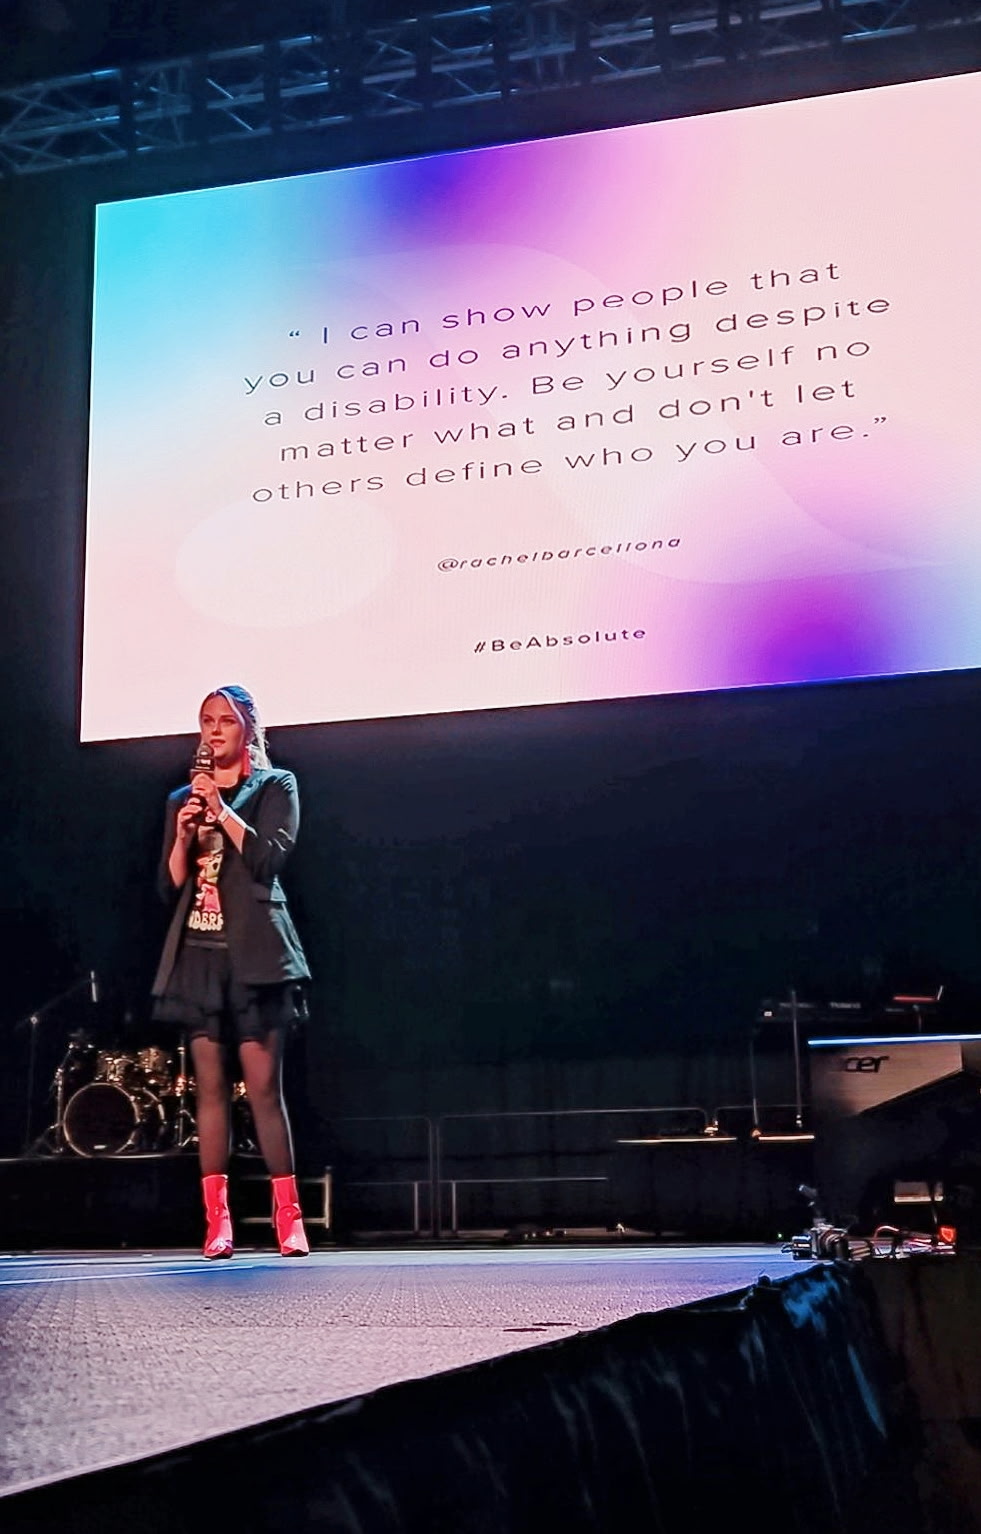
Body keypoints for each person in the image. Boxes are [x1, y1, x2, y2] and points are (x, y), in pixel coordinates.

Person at [151, 685, 312, 1258]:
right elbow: (168, 885)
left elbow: (268, 860)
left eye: (225, 721)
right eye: (206, 721)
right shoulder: (182, 798)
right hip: (199, 956)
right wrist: (184, 837)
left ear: (247, 729)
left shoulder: (275, 785)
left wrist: (221, 811)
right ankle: (216, 1223)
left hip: (258, 957)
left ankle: (288, 1219)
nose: (214, 730)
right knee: (211, 1091)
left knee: (263, 1089)